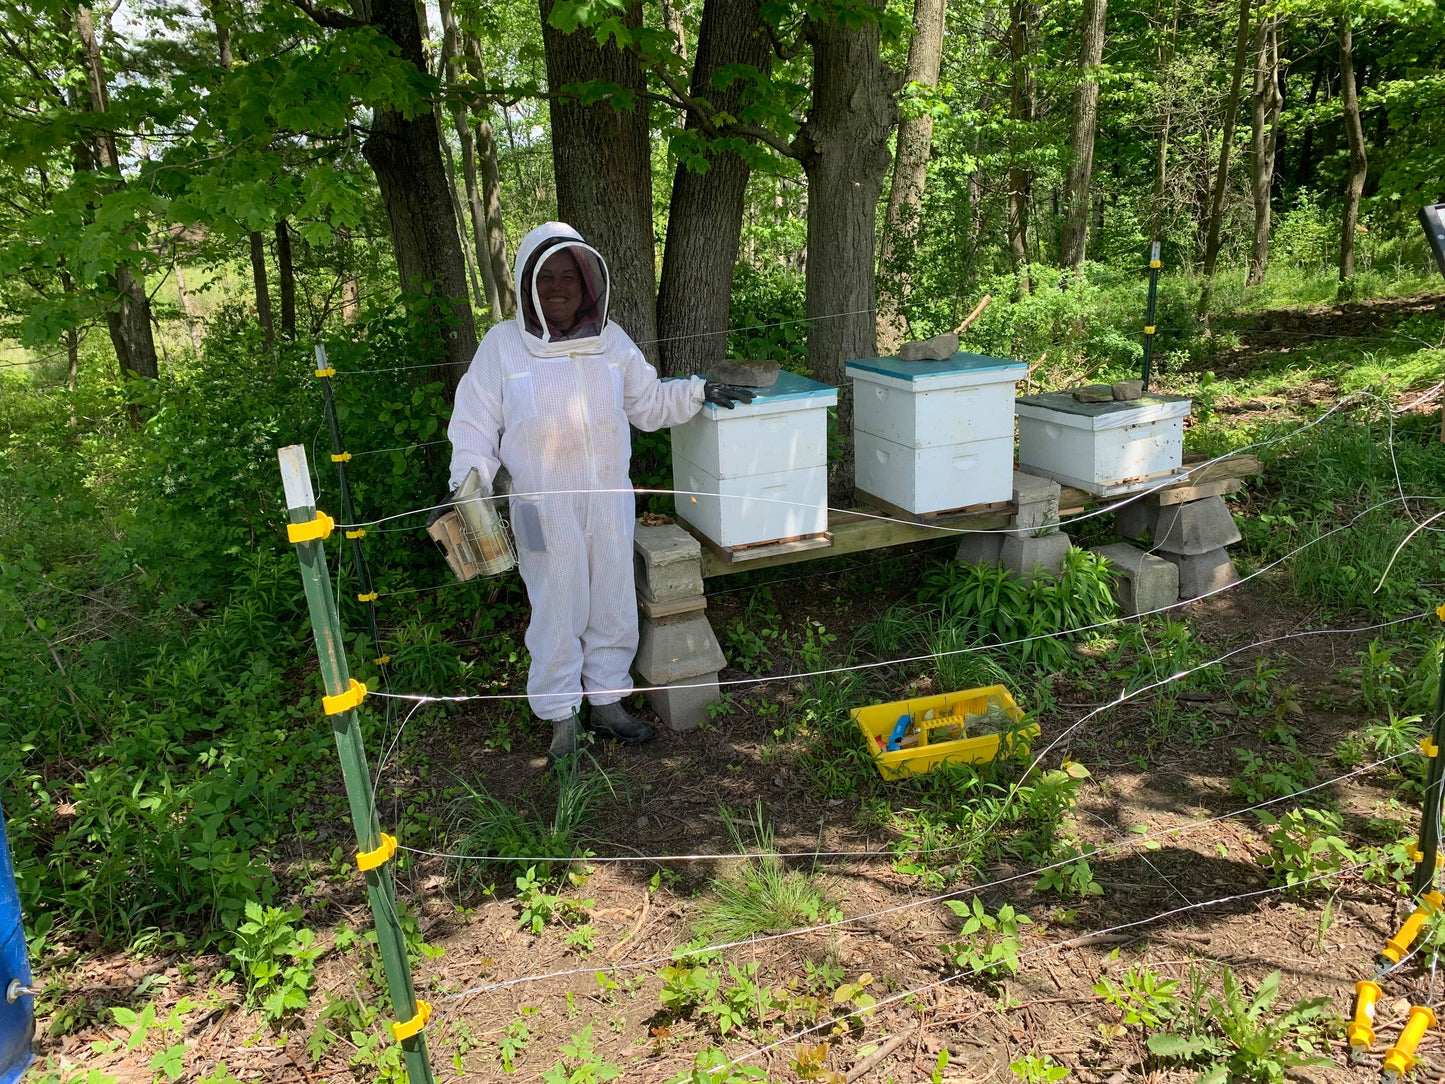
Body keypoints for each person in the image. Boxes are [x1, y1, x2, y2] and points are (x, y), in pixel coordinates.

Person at [447, 222, 755, 763]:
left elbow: (649, 403)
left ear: (589, 283)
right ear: (525, 283)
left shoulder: (611, 342)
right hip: (541, 506)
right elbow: (473, 425)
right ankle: (560, 714)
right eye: (546, 278)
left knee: (613, 597)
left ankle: (608, 702)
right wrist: (467, 487)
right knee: (556, 604)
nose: (558, 288)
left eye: (570, 276)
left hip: (609, 498)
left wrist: (698, 391)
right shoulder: (501, 347)